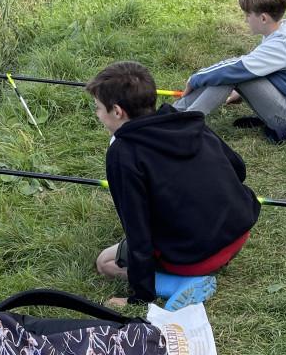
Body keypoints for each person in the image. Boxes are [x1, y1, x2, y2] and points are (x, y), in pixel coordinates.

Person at [87, 62, 260, 309]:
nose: (97, 114)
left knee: (105, 262)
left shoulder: (123, 153)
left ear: (117, 111)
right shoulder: (188, 119)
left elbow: (138, 231)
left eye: (98, 108)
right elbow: (239, 169)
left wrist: (140, 295)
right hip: (239, 234)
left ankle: (180, 284)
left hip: (196, 258)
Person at [174, 0, 286, 130]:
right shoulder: (284, 29)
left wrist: (195, 79)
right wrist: (239, 93)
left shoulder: (282, 44)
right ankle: (176, 113)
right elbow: (266, 70)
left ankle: (184, 122)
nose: (245, 19)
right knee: (230, 73)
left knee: (230, 73)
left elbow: (235, 68)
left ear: (263, 18)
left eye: (248, 15)